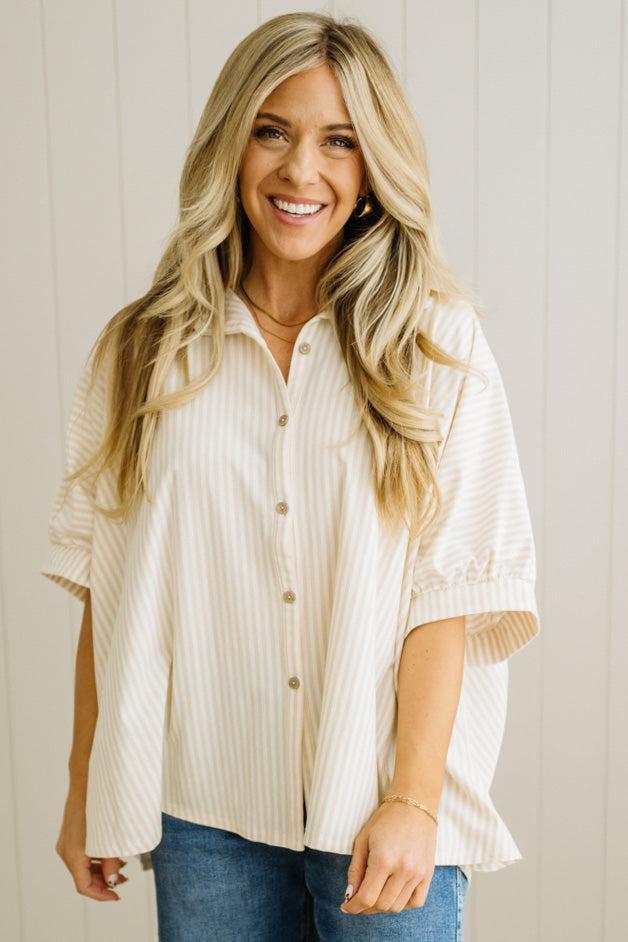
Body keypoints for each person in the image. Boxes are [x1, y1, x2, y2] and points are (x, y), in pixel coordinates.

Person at [40, 11, 541, 941]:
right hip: (204, 815)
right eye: (272, 130)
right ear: (230, 144)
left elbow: (452, 590)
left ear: (372, 167)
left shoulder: (434, 343)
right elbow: (110, 593)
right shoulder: (140, 351)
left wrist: (415, 802)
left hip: (381, 808)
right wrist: (85, 791)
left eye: (339, 141)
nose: (300, 171)